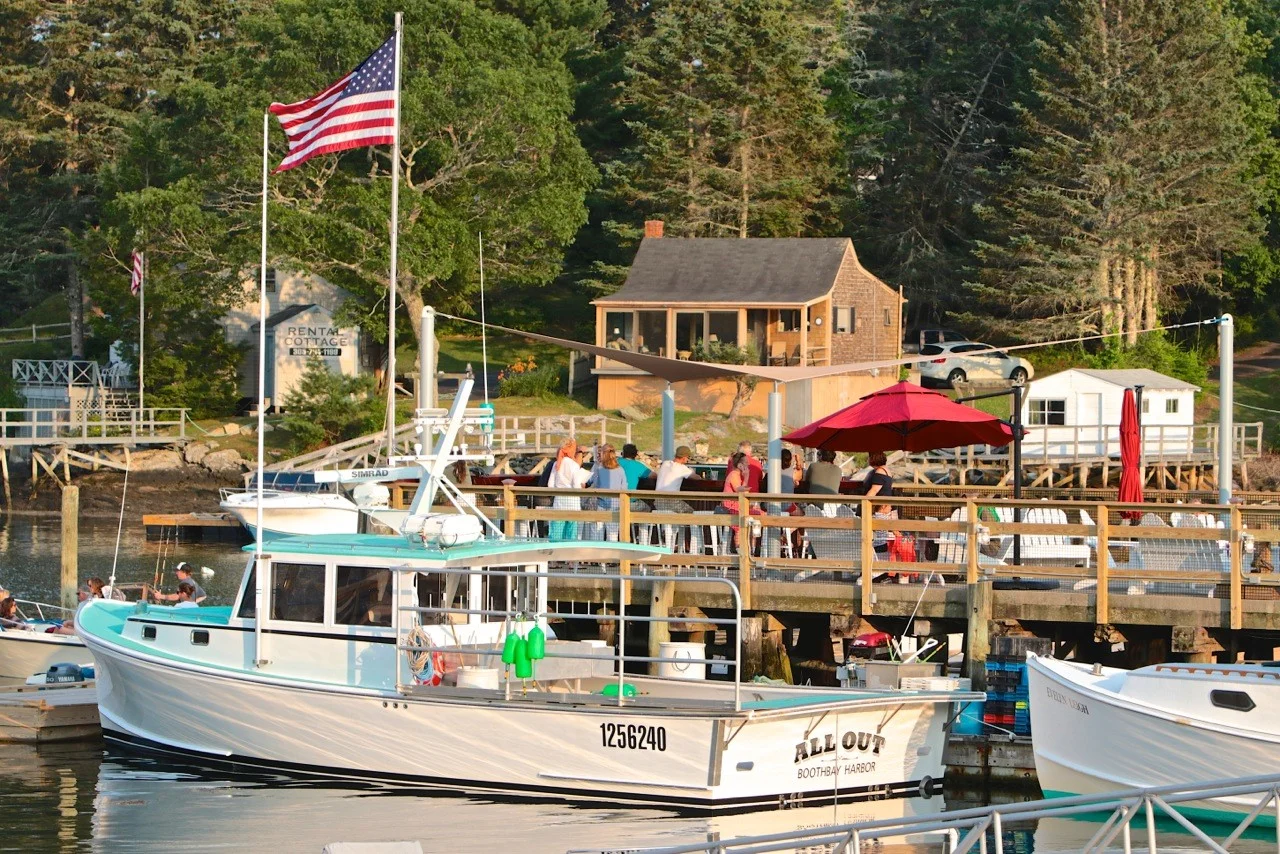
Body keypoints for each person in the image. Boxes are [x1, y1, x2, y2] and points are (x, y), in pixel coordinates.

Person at [719, 452, 764, 553]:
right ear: (739, 465)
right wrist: (747, 476)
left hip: (736, 505)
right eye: (745, 463)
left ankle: (750, 549)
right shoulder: (734, 474)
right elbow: (739, 490)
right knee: (744, 521)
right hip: (730, 506)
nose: (748, 464)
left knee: (757, 515)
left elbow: (742, 490)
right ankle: (741, 550)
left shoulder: (737, 475)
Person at [548, 438, 591, 541]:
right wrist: (583, 485)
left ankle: (555, 555)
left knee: (557, 535)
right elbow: (576, 486)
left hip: (559, 503)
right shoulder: (574, 465)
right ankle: (570, 556)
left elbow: (550, 485)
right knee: (571, 535)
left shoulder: (556, 464)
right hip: (573, 504)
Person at [587, 444, 628, 541]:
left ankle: (597, 553)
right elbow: (624, 487)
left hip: (601, 503)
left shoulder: (599, 469)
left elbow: (594, 483)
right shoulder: (620, 470)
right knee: (612, 534)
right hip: (616, 505)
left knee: (597, 533)